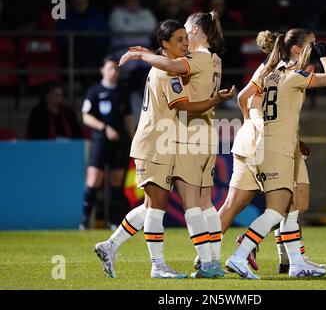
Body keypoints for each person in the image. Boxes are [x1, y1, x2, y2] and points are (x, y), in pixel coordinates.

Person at [93, 19, 234, 279]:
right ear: (165, 44)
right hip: (156, 144)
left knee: (150, 206)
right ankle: (158, 266)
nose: (184, 43)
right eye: (178, 39)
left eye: (185, 37)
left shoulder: (173, 68)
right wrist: (215, 99)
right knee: (157, 206)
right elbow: (184, 106)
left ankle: (110, 245)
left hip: (162, 143)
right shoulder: (168, 71)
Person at [225, 28, 326, 279]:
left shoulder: (274, 75)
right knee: (277, 211)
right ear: (298, 50)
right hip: (276, 148)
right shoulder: (293, 76)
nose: (316, 46)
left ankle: (296, 262)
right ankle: (240, 254)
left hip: (278, 146)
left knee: (291, 208)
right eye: (313, 44)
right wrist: (323, 57)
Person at [79, 55, 135, 230]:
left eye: (116, 69)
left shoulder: (122, 92)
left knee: (116, 181)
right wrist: (104, 129)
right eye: (110, 68)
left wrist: (133, 138)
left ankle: (113, 220)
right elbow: (86, 117)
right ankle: (85, 220)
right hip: (100, 141)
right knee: (94, 178)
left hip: (120, 142)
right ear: (102, 70)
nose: (113, 72)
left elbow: (128, 117)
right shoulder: (94, 91)